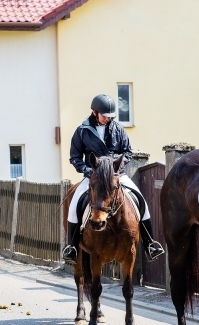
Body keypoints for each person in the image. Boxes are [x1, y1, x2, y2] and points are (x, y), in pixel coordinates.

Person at [62, 93, 164, 263]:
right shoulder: (82, 131)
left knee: (141, 201)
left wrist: (116, 169)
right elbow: (75, 157)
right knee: (74, 206)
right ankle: (72, 247)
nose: (107, 119)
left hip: (116, 176)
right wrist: (87, 170)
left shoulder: (118, 129)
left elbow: (128, 152)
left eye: (110, 117)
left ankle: (150, 244)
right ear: (95, 112)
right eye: (104, 116)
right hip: (93, 176)